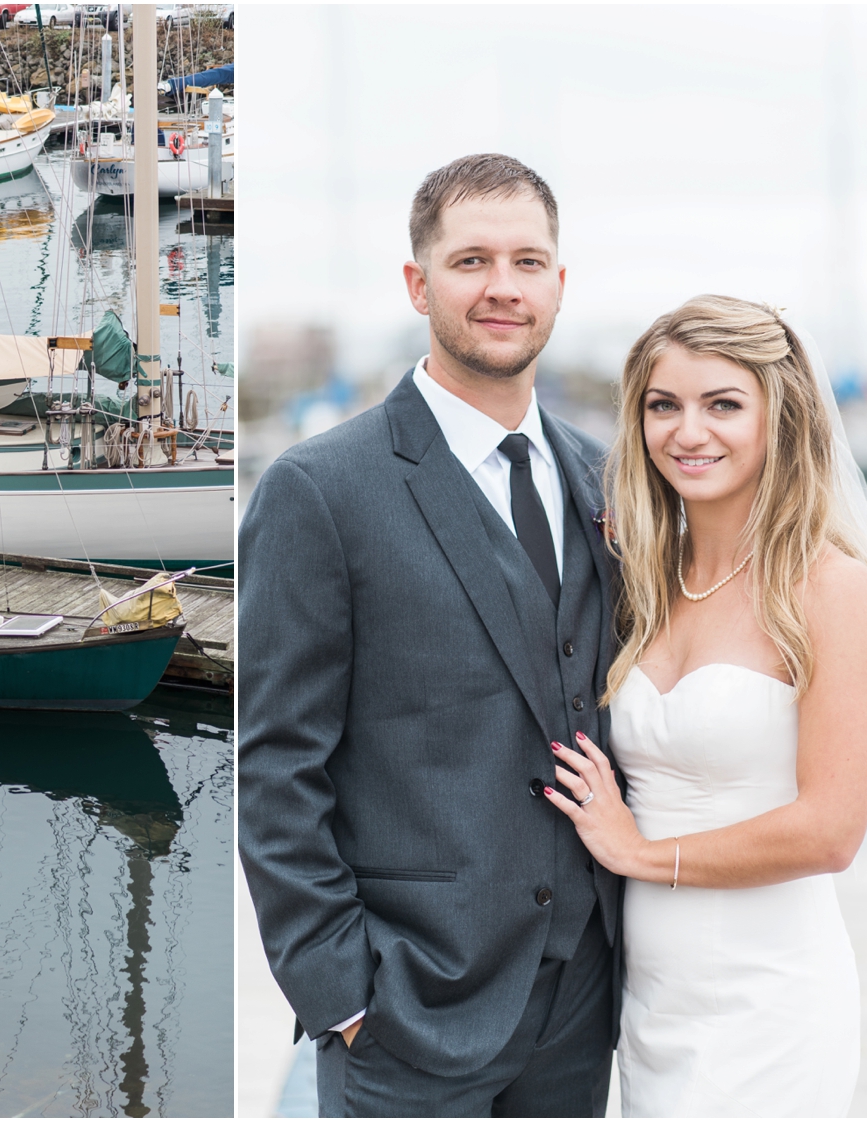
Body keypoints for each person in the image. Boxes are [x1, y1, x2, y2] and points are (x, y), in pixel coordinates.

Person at [239, 154, 622, 1116]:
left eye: (528, 261)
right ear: (419, 283)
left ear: (559, 285)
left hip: (582, 1006)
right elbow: (277, 764)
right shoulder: (320, 490)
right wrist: (344, 996)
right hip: (407, 1012)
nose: (503, 286)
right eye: (471, 260)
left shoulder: (605, 481)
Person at [544, 295, 867, 1115]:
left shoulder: (828, 585)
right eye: (662, 405)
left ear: (780, 418)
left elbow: (832, 831)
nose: (688, 431)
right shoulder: (640, 579)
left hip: (771, 995)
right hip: (648, 1000)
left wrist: (637, 854)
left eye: (724, 405)